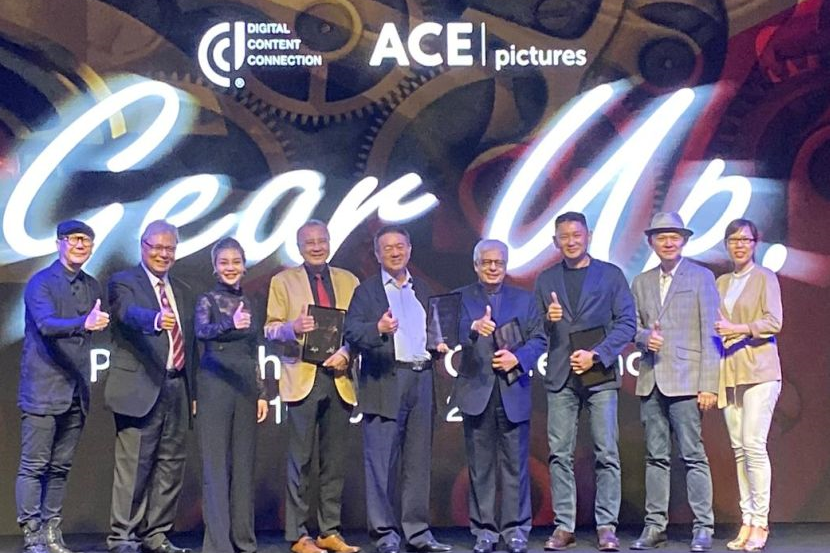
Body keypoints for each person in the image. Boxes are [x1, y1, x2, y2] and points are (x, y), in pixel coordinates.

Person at [344, 225, 451, 553]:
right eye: (387, 247)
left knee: (418, 463)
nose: (395, 252)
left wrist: (438, 345)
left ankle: (418, 533)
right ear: (377, 254)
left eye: (400, 246)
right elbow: (351, 332)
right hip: (385, 379)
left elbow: (434, 330)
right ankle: (385, 534)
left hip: (421, 379)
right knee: (381, 464)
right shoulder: (367, 292)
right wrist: (377, 328)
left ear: (409, 250)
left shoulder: (423, 288)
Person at [533, 212, 635, 552]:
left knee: (606, 452)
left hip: (599, 373)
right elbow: (536, 330)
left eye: (576, 234)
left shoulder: (611, 274)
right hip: (561, 376)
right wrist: (548, 320)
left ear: (588, 235)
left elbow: (627, 322)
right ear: (555, 241)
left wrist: (598, 353)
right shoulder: (546, 279)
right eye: (564, 236)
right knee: (559, 454)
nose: (571, 241)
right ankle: (565, 526)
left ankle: (606, 526)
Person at [264, 220, 361, 553]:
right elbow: (270, 329)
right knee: (300, 461)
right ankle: (298, 534)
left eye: (322, 241)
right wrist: (292, 327)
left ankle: (329, 530)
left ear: (330, 243)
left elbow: (358, 329)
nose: (317, 247)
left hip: (339, 378)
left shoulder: (349, 280)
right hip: (301, 377)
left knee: (334, 461)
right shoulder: (283, 281)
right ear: (299, 247)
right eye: (310, 242)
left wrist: (347, 353)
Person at [15, 220, 109, 553]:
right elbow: (47, 325)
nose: (81, 245)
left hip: (76, 391)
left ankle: (51, 530)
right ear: (59, 243)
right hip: (42, 389)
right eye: (74, 239)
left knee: (60, 468)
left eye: (87, 240)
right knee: (34, 466)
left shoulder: (92, 286)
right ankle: (32, 534)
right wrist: (84, 323)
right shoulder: (41, 283)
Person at [104, 220, 197, 553]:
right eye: (156, 247)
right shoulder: (123, 282)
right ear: (142, 246)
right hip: (140, 386)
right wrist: (155, 319)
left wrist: (194, 392)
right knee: (134, 467)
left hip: (177, 385)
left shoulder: (182, 290)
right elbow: (127, 313)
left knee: (171, 464)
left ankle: (155, 533)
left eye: (169, 248)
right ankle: (122, 537)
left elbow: (192, 345)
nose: (163, 254)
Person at [630, 212, 719, 552]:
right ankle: (655, 526)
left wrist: (708, 385)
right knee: (656, 457)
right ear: (651, 242)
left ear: (684, 240)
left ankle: (703, 527)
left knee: (693, 455)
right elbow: (632, 326)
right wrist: (643, 338)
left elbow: (711, 333)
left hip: (686, 380)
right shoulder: (641, 281)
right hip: (651, 379)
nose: (668, 242)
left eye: (674, 236)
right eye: (661, 237)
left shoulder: (701, 277)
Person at [450, 239, 545, 553]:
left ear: (506, 265)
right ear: (476, 265)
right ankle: (485, 532)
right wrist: (473, 328)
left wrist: (518, 358)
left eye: (499, 262)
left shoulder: (525, 299)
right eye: (487, 262)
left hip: (513, 391)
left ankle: (516, 531)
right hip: (476, 391)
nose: (493, 268)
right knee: (481, 468)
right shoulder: (460, 297)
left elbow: (539, 339)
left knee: (516, 466)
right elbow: (448, 332)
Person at [195, 238, 269, 553]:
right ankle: (218, 545)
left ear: (244, 265)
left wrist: (262, 392)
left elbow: (255, 350)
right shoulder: (207, 300)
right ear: (215, 267)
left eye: (235, 262)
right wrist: (229, 322)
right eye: (224, 262)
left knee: (243, 465)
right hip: (215, 383)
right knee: (216, 467)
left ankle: (244, 540)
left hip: (245, 386)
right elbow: (201, 332)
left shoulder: (250, 301)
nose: (230, 268)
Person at [715, 219, 782, 552]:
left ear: (755, 243)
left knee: (754, 446)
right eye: (733, 240)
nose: (739, 245)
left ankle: (761, 522)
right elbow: (715, 326)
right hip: (730, 373)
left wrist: (737, 329)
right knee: (739, 450)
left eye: (745, 240)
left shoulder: (765, 277)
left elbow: (774, 321)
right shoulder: (721, 282)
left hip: (760, 371)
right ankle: (746, 520)